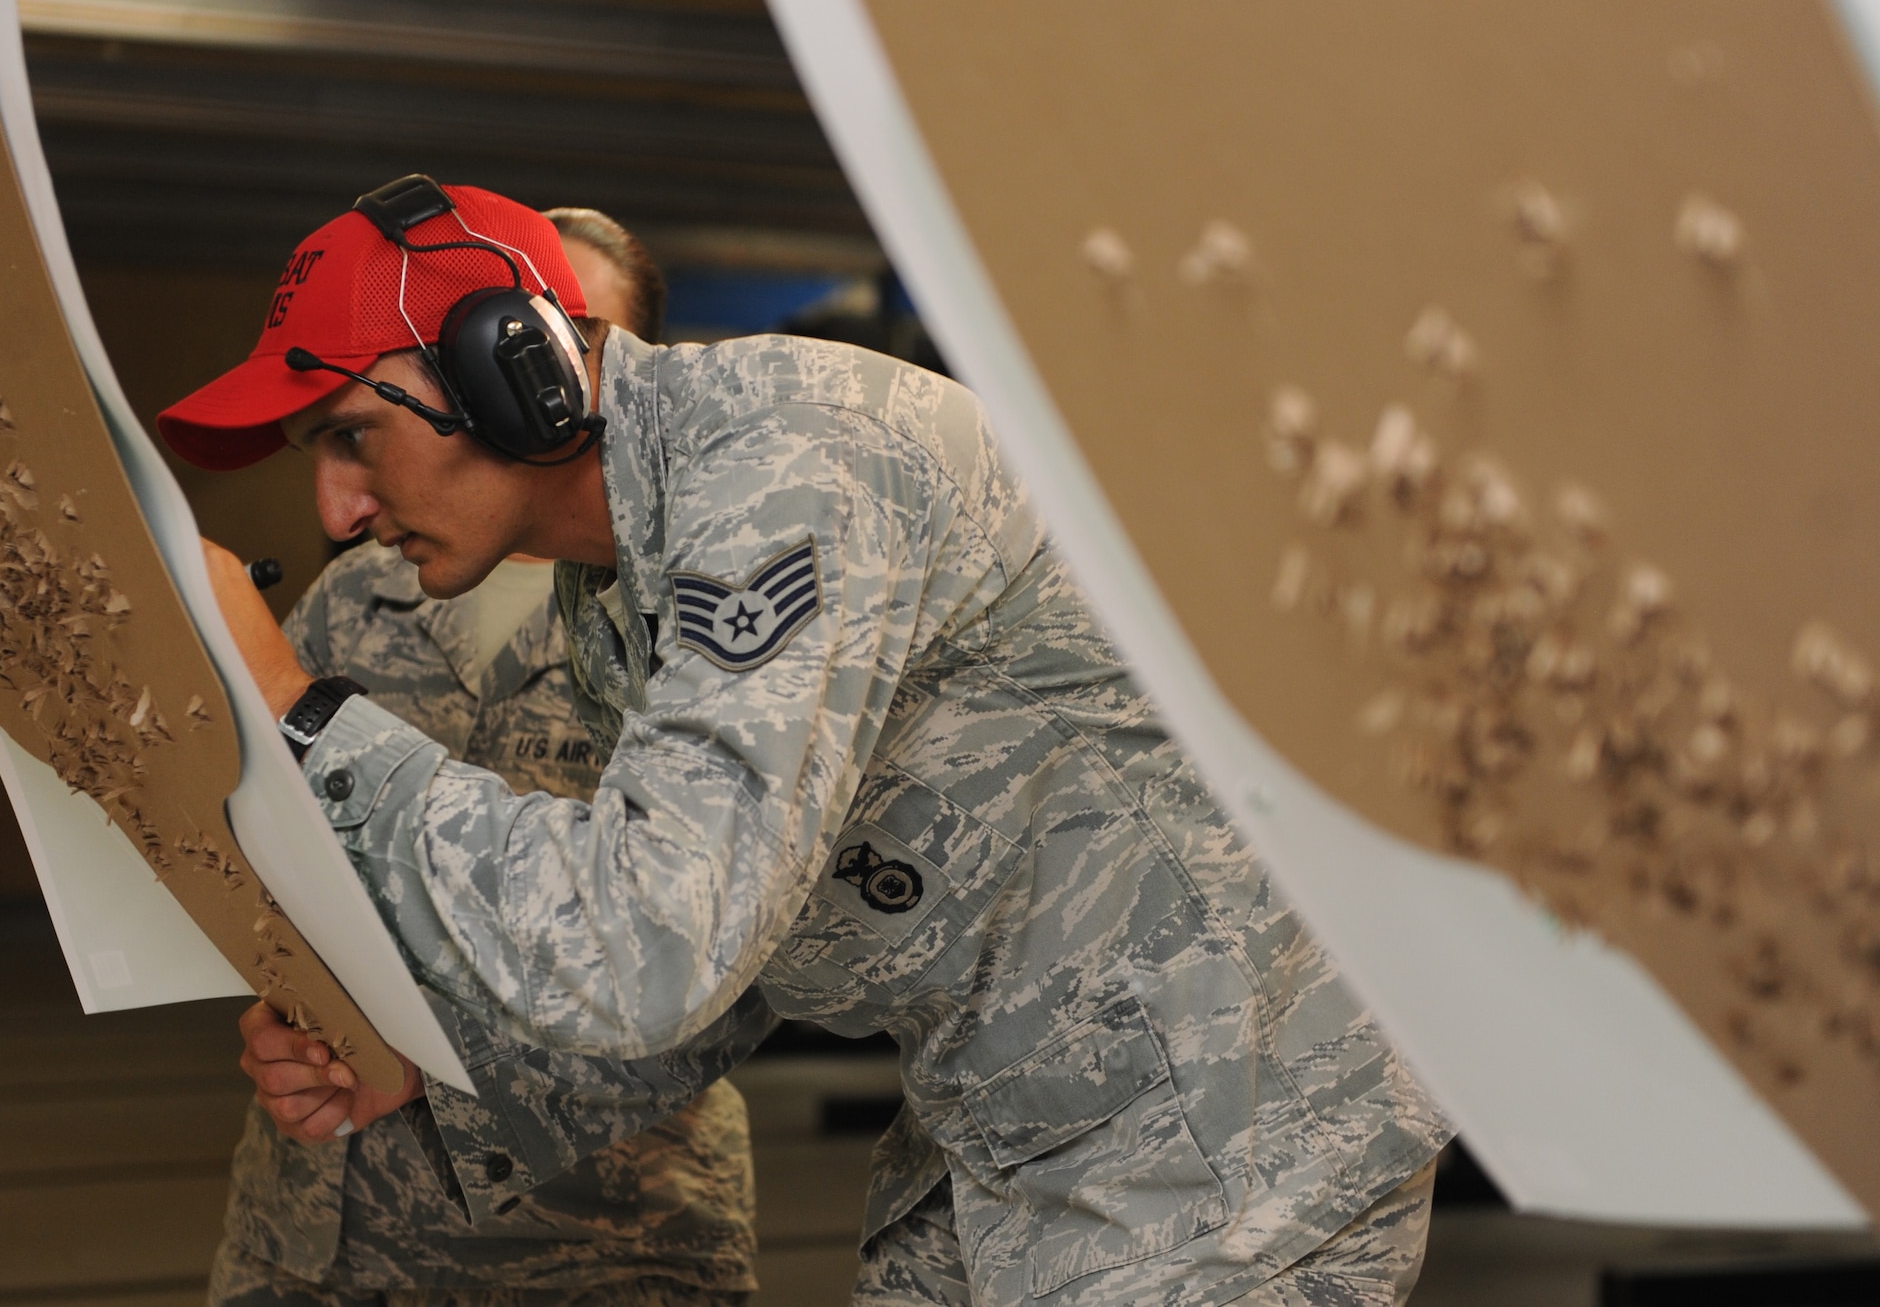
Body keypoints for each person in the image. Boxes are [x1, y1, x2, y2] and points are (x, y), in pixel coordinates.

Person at [166, 179, 1453, 1305]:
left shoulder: (791, 462)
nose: (336, 505)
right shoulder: (619, 589)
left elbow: (647, 944)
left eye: (350, 434)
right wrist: (435, 1079)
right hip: (1017, 1129)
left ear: (517, 371)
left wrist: (300, 712)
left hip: (1222, 1128)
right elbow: (743, 954)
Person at [208, 207, 774, 1307]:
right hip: (321, 1233)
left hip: (601, 1241)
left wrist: (444, 1063)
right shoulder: (355, 596)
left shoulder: (710, 616)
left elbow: (717, 953)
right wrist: (291, 1009)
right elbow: (277, 862)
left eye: (569, 350)